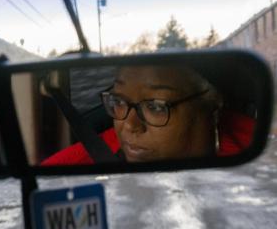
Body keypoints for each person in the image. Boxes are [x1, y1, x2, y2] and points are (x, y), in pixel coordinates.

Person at [42, 65, 255, 165]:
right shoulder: (70, 167)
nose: (129, 125)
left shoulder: (261, 160)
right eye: (118, 101)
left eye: (156, 106)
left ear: (213, 104)